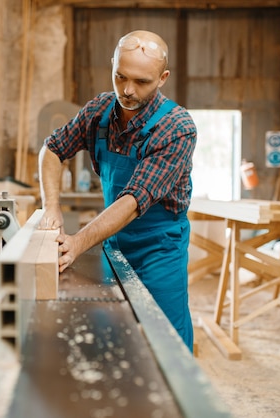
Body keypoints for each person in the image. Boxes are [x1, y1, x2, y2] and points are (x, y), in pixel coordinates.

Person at [38, 30, 197, 352]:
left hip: (159, 247)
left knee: (165, 339)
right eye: (120, 77)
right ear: (112, 65)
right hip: (113, 242)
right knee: (115, 331)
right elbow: (52, 149)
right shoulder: (99, 111)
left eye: (142, 82)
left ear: (163, 78)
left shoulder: (178, 127)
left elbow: (135, 199)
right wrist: (50, 206)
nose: (127, 90)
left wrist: (78, 241)